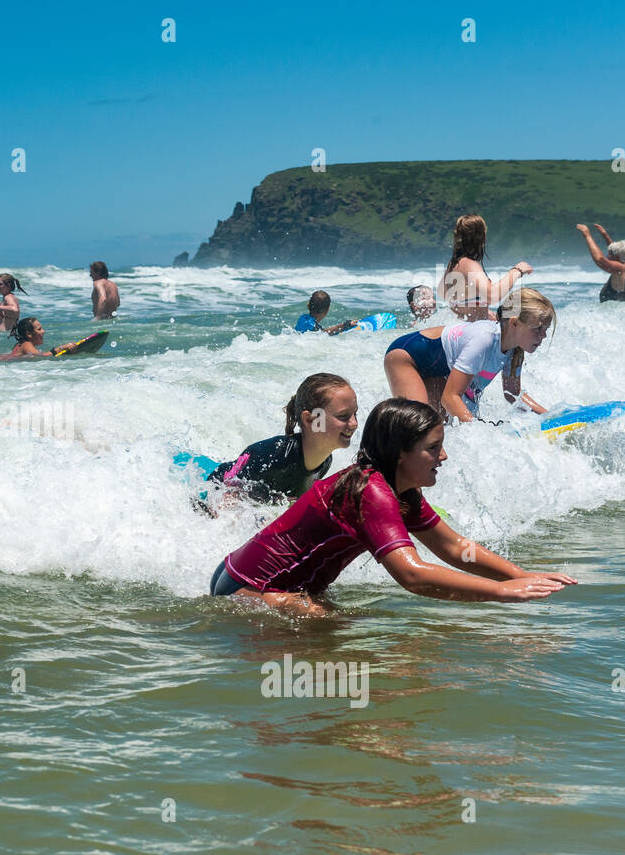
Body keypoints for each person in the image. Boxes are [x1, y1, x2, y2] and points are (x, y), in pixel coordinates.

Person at [209, 398, 576, 616]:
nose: (443, 457)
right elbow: (412, 575)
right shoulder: (370, 492)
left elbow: (453, 548)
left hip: (257, 582)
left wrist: (520, 576)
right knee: (342, 633)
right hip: (247, 592)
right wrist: (500, 592)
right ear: (399, 453)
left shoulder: (400, 489)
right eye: (433, 448)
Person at [383, 288, 553, 423]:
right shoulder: (484, 339)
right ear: (514, 323)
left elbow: (512, 394)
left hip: (440, 370)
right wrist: (480, 433)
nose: (543, 335)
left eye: (545, 329)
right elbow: (450, 398)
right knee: (418, 425)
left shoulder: (515, 350)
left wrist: (549, 415)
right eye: (538, 328)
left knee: (442, 427)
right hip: (406, 358)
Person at [206, 374, 357, 504]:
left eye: (354, 414)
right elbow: (225, 494)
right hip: (213, 486)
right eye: (343, 416)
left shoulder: (325, 461)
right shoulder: (274, 455)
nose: (354, 424)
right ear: (311, 419)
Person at [437, 214, 532, 321]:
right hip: (474, 332)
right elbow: (493, 295)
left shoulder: (454, 264)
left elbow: (443, 293)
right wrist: (517, 270)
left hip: (463, 329)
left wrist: (478, 309)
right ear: (483, 236)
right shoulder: (469, 265)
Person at [577, 223, 625, 302]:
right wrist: (606, 237)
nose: (607, 257)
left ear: (617, 257)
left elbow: (600, 260)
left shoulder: (620, 269)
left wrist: (587, 236)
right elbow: (616, 253)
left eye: (609, 254)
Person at [0, 317, 76, 361]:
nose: (43, 331)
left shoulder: (21, 344)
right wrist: (60, 348)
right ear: (29, 334)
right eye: (39, 329)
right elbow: (40, 357)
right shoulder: (27, 345)